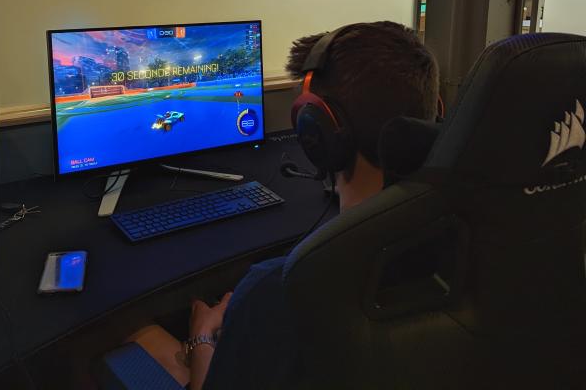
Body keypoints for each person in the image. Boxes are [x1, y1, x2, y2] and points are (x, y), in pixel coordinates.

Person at [184, 21, 440, 390]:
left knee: (145, 337)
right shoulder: (467, 245)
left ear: (316, 134)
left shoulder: (278, 289)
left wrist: (202, 338)